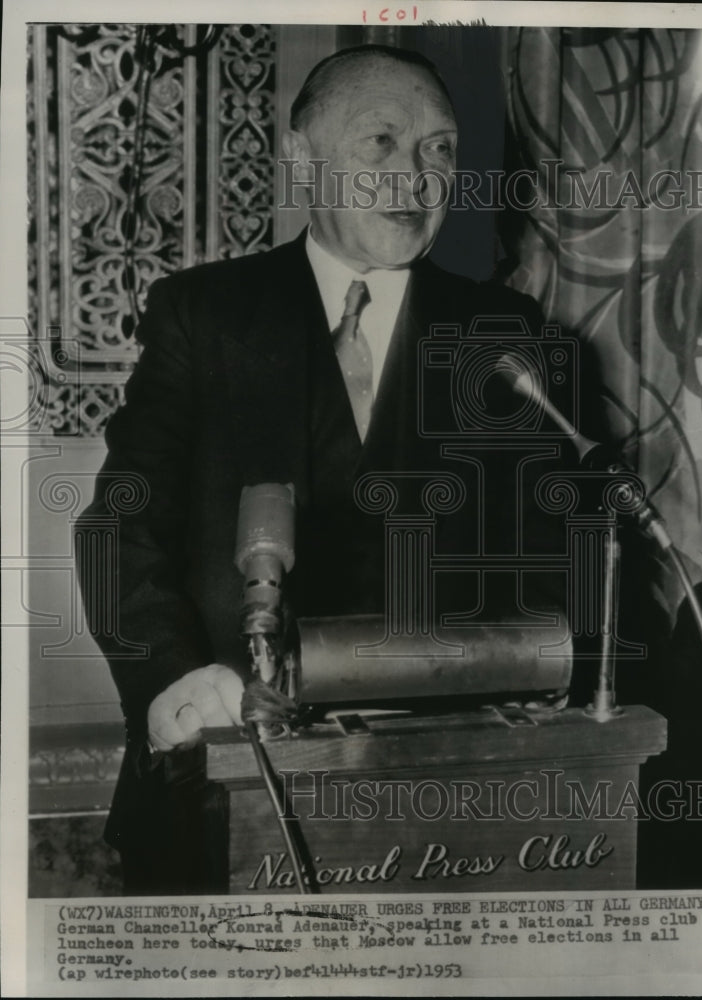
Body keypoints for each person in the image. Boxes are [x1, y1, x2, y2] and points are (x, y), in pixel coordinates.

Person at [77, 44, 573, 893]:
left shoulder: (504, 333)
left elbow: (552, 547)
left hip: (449, 798)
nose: (417, 177)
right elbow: (122, 523)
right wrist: (178, 683)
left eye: (440, 148)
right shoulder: (203, 314)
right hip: (226, 776)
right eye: (381, 142)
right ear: (301, 162)